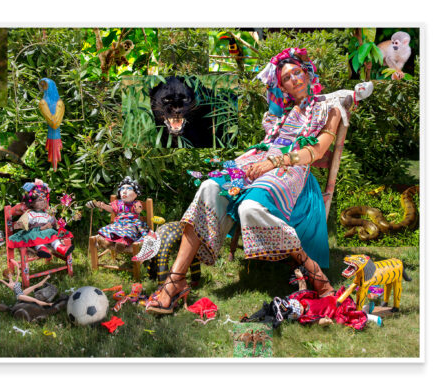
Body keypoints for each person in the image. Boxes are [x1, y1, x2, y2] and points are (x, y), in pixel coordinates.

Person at [146, 48, 341, 315]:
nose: (294, 79)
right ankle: (176, 280)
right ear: (280, 84)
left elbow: (316, 152)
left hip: (291, 167)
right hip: (259, 158)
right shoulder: (278, 113)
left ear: (307, 74)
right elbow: (268, 144)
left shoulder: (328, 109)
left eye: (297, 72)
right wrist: (261, 160)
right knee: (209, 186)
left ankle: (312, 269)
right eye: (286, 77)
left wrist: (273, 163)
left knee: (250, 208)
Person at [8, 179, 74, 258]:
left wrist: (55, 222)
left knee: (53, 234)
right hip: (35, 232)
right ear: (31, 202)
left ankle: (61, 248)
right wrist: (19, 224)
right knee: (36, 237)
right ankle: (41, 249)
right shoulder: (30, 214)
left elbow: (53, 222)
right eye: (39, 200)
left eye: (44, 200)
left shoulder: (46, 214)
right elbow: (24, 222)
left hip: (46, 232)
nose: (43, 202)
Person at [92, 176, 149, 252]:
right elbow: (112, 209)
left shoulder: (136, 203)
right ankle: (106, 242)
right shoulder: (118, 203)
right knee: (112, 230)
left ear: (136, 194)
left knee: (129, 232)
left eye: (128, 189)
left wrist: (138, 208)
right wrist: (104, 206)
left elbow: (139, 210)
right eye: (122, 189)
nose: (124, 191)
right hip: (118, 224)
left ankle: (121, 244)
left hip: (131, 224)